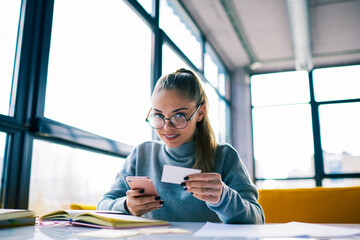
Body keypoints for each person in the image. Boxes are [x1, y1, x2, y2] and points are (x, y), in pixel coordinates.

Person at [97, 68, 264, 224]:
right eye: (158, 115)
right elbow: (103, 205)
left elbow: (257, 219)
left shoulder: (224, 156)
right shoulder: (142, 154)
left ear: (200, 112)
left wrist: (223, 198)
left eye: (179, 115)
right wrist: (126, 206)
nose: (167, 127)